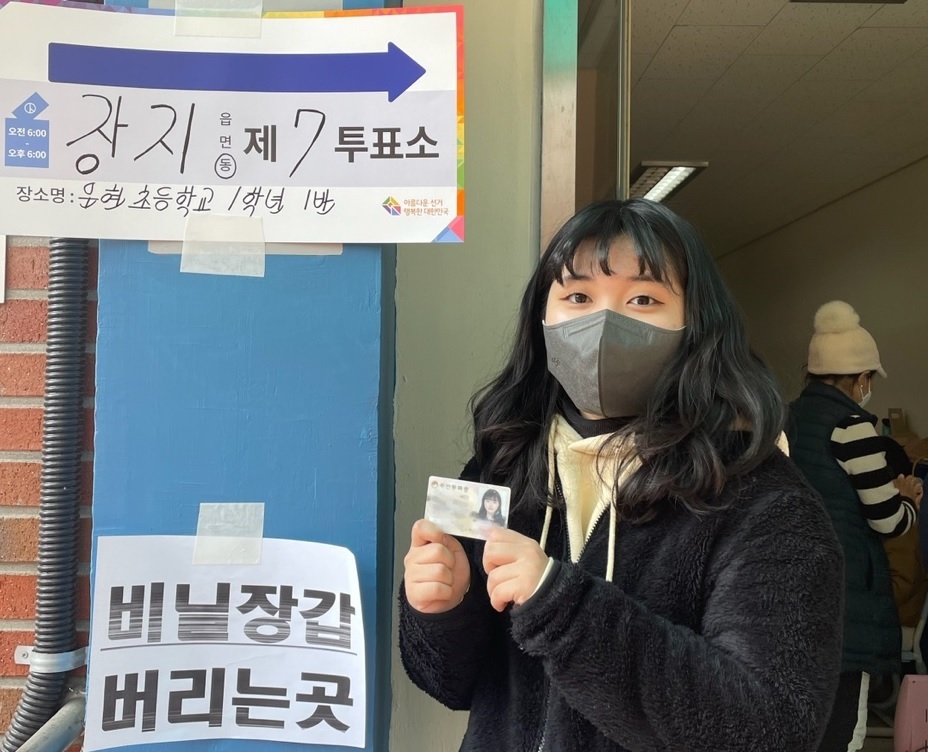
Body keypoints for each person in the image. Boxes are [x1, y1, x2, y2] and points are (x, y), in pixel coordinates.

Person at [399, 198, 844, 752]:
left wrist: (561, 605)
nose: (602, 322)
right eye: (578, 296)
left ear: (696, 323)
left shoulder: (763, 498)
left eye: (643, 299)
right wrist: (442, 609)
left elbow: (768, 729)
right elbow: (448, 682)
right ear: (543, 317)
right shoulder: (504, 463)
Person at [787, 300, 924, 752]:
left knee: (801, 715)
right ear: (861, 379)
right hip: (844, 593)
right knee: (844, 726)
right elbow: (886, 521)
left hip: (793, 587)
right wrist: (909, 500)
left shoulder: (789, 419)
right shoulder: (852, 426)